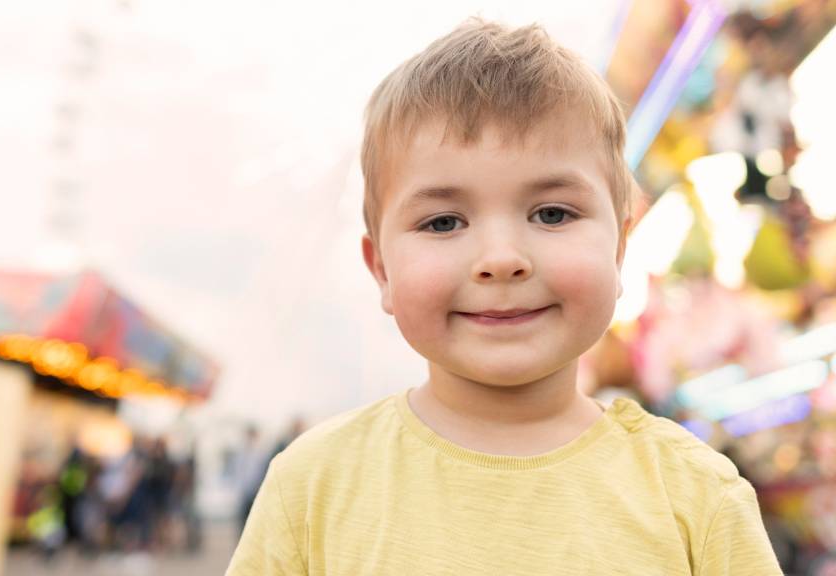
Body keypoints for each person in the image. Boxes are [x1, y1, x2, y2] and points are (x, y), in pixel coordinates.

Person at [227, 18, 781, 575]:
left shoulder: (696, 496)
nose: (501, 259)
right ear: (383, 272)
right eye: (444, 222)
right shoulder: (312, 487)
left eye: (552, 213)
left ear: (618, 251)